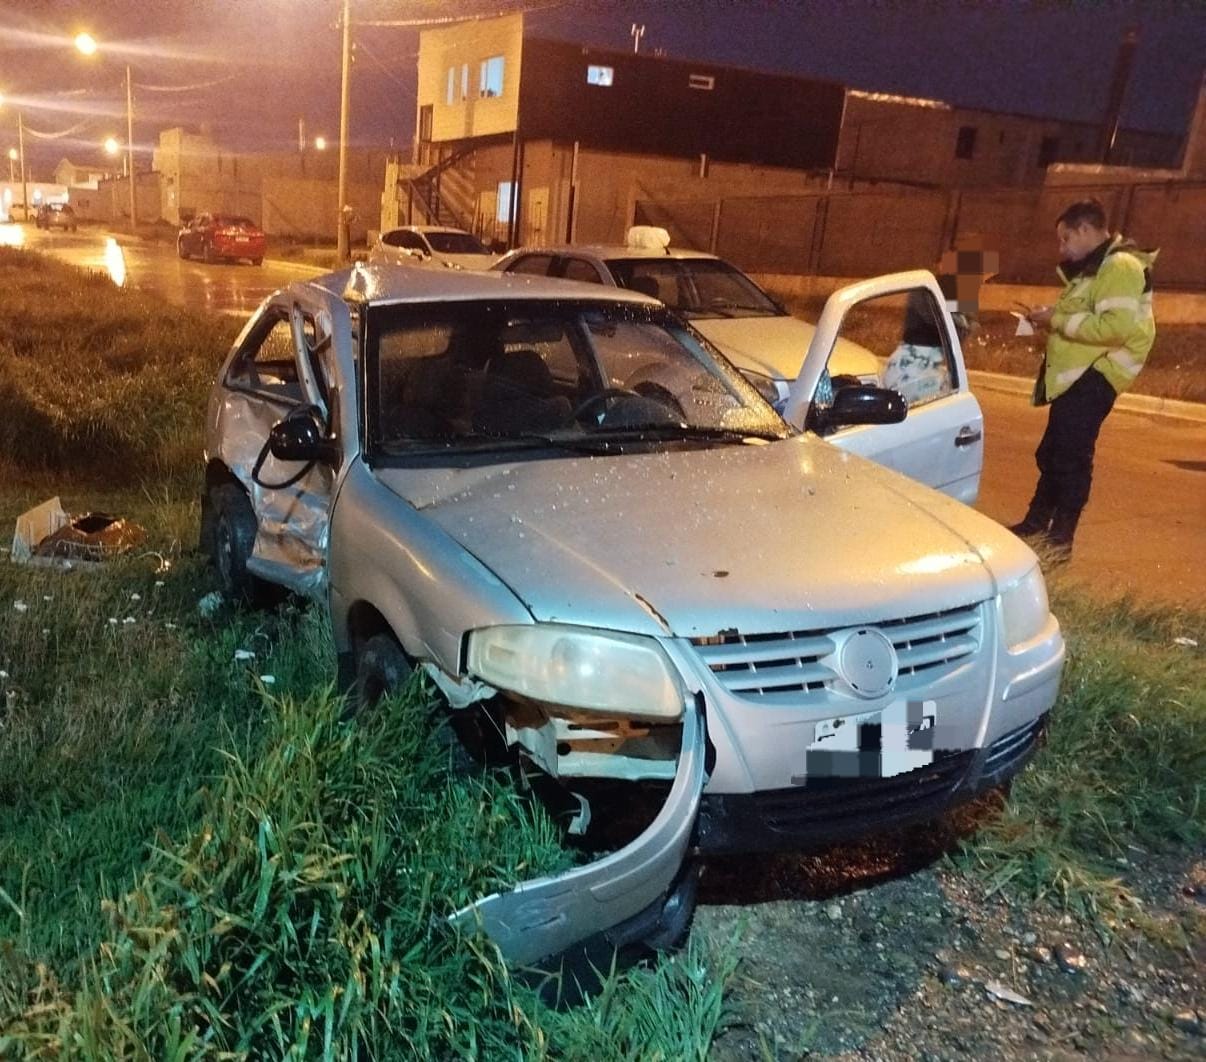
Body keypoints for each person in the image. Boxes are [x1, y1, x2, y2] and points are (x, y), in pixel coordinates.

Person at [1009, 198, 1157, 556]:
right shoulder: (1097, 268)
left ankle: (1060, 540)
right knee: (1054, 451)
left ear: (1087, 230)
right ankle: (1036, 523)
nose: (1062, 249)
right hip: (1078, 375)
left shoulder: (1119, 266)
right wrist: (1048, 316)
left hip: (1097, 374)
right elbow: (1085, 315)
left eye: (1066, 239)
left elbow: (1113, 328)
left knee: (1071, 457)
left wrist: (1055, 320)